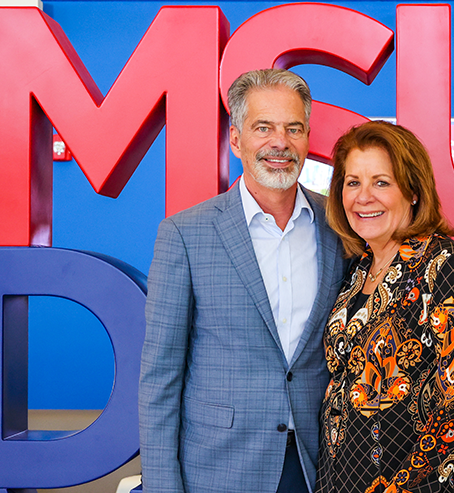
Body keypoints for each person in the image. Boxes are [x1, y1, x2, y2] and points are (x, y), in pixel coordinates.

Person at [139, 68, 347, 493]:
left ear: (308, 139)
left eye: (294, 128)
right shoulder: (185, 234)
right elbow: (159, 378)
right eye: (263, 127)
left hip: (320, 467)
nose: (280, 143)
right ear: (236, 140)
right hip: (220, 468)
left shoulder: (339, 227)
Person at [315, 121, 454, 493]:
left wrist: (397, 488)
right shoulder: (358, 272)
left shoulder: (447, 266)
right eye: (352, 182)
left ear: (412, 191)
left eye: (381, 182)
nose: (363, 197)